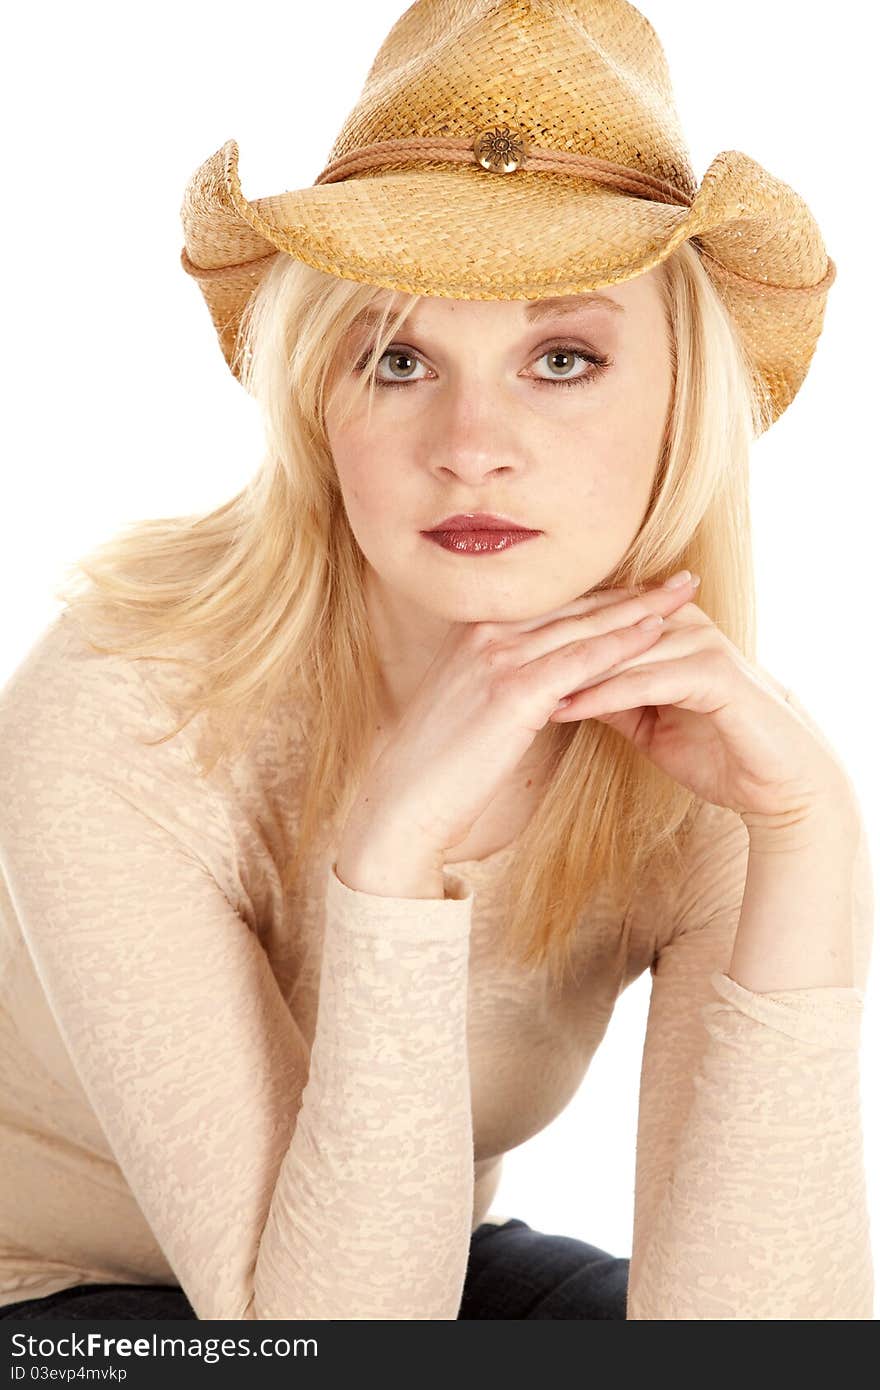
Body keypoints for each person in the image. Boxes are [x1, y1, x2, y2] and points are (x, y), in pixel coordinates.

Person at [0, 0, 873, 1322]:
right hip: (51, 1298)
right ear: (316, 397)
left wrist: (810, 840)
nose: (473, 442)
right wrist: (393, 851)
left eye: (562, 357)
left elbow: (757, 1337)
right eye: (399, 357)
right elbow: (324, 1350)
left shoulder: (709, 752)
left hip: (386, 1260)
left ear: (681, 399)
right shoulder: (125, 701)